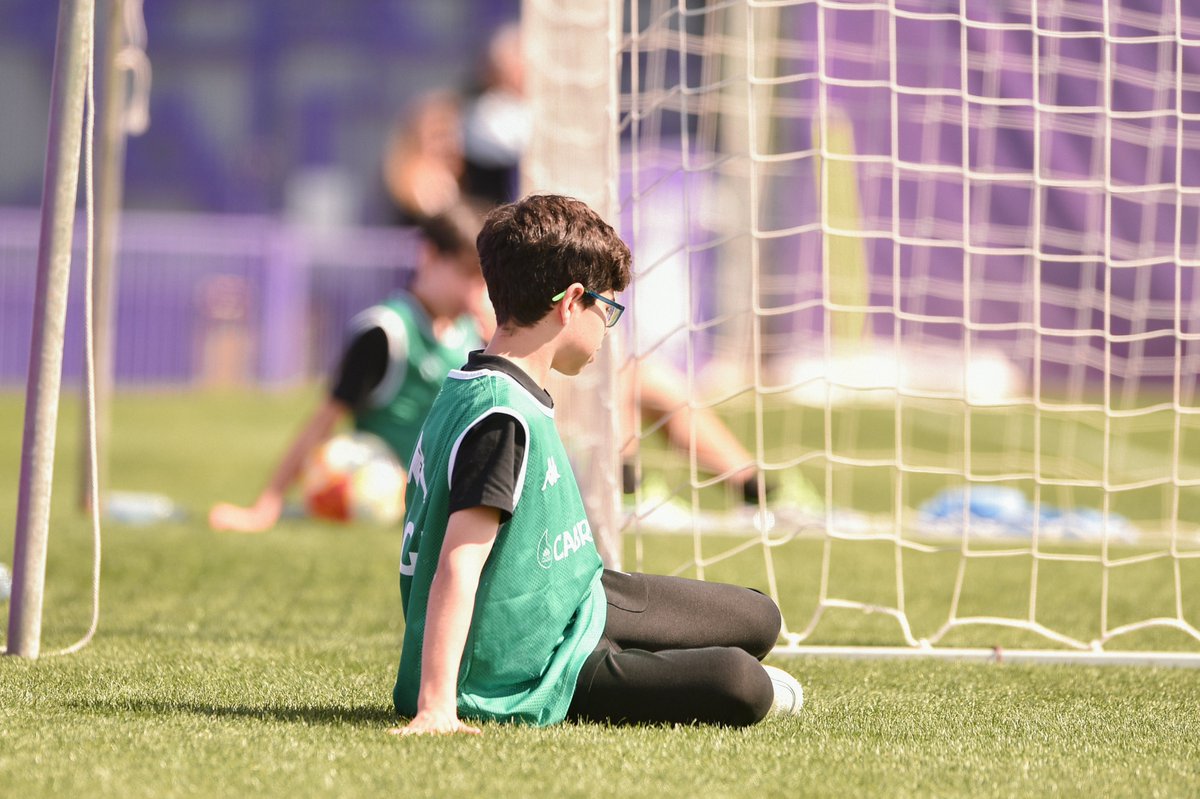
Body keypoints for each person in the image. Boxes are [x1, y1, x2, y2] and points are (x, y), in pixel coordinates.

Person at [389, 194, 802, 735]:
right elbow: (458, 563)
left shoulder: (486, 384)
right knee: (740, 683)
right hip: (529, 663)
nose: (608, 327)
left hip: (578, 597)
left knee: (759, 616)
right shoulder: (499, 418)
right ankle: (651, 668)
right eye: (607, 309)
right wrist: (436, 705)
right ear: (571, 302)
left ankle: (646, 653)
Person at [208, 203, 494, 533]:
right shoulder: (386, 332)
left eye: (482, 280)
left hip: (448, 503)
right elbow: (324, 421)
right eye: (466, 275)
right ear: (428, 256)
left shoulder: (476, 333)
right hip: (386, 498)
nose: (475, 293)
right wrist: (266, 507)